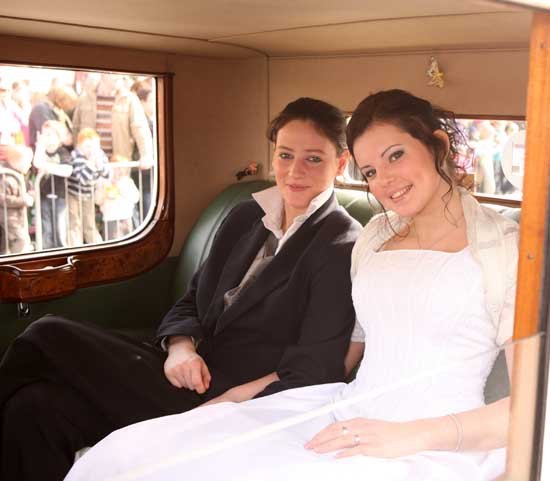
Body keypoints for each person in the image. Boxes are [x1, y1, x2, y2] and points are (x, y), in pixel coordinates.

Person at [64, 89, 518, 481]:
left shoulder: (505, 248)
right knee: (141, 454)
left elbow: (534, 407)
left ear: (437, 145)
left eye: (395, 155)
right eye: (371, 172)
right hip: (340, 410)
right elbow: (345, 353)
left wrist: (405, 435)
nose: (386, 181)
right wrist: (232, 402)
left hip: (434, 441)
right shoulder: (376, 239)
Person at [0, 97, 361, 481]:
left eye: (313, 159)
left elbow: (314, 369)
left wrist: (222, 406)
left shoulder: (340, 244)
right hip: (178, 372)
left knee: (48, 332)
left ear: (339, 164)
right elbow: (192, 299)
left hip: (230, 400)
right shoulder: (246, 215)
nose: (294, 172)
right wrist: (180, 347)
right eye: (285, 155)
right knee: (34, 408)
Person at [32, 120, 73, 249]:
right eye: (44, 134)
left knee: (60, 231)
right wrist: (40, 146)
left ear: (58, 136)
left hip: (59, 197)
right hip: (44, 197)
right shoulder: (41, 152)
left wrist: (47, 167)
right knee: (46, 230)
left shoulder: (62, 152)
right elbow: (37, 163)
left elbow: (67, 170)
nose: (46, 138)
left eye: (49, 134)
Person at [67, 127, 109, 246]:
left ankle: (96, 247)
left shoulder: (100, 154)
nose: (91, 150)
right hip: (73, 193)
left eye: (94, 146)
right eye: (87, 146)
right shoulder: (76, 156)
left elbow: (108, 174)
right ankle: (74, 248)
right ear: (80, 146)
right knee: (74, 222)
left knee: (89, 222)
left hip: (88, 194)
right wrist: (90, 164)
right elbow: (83, 179)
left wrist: (100, 166)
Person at [95, 154, 139, 240]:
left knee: (129, 242)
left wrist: (120, 187)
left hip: (126, 218)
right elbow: (97, 200)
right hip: (110, 219)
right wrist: (105, 191)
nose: (120, 171)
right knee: (113, 244)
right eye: (117, 167)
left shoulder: (127, 181)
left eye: (123, 168)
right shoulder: (103, 181)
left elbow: (135, 197)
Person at [0, 145, 34, 254]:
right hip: (9, 219)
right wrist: (23, 200)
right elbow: (2, 198)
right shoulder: (6, 176)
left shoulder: (18, 174)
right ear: (16, 160)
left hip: (17, 219)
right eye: (27, 162)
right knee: (19, 245)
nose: (29, 165)